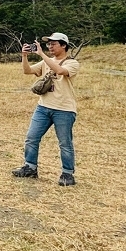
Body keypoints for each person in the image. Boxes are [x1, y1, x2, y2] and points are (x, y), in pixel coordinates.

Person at [12, 32, 81, 186]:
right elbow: (27, 71)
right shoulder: (46, 62)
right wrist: (24, 56)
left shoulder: (72, 63)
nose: (50, 46)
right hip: (43, 107)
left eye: (53, 44)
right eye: (48, 44)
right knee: (32, 137)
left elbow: (61, 71)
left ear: (63, 45)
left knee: (65, 143)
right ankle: (30, 167)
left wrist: (42, 54)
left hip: (64, 109)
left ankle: (67, 174)